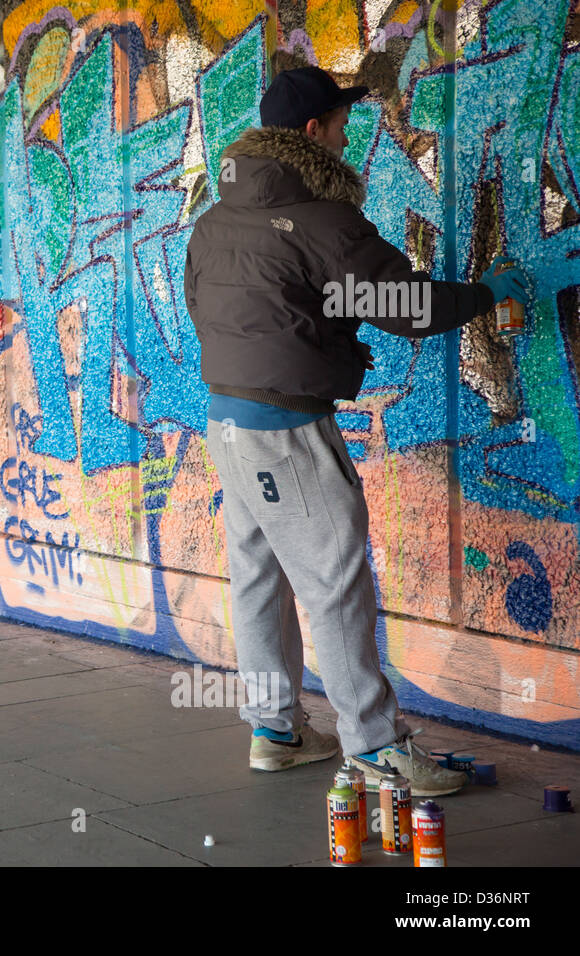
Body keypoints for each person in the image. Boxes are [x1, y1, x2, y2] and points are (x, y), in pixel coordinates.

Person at [184, 67, 530, 796]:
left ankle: (276, 729)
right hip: (286, 428)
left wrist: (323, 337)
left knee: (260, 573)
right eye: (342, 123)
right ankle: (374, 746)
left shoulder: (215, 221)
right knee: (335, 578)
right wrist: (490, 290)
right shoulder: (322, 220)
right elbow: (407, 307)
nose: (349, 136)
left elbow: (215, 307)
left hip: (228, 419)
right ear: (313, 133)